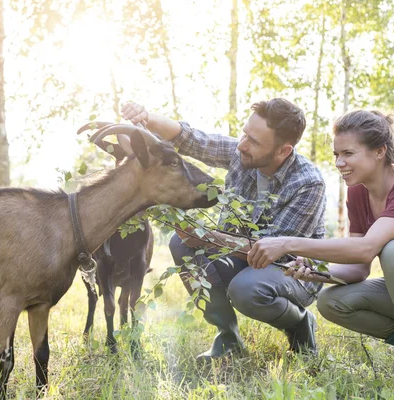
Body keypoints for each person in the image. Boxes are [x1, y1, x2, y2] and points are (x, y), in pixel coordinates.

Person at [122, 99, 327, 360]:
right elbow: (192, 140)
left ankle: (299, 322)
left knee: (246, 290)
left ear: (283, 151)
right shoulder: (242, 152)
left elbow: (272, 251)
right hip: (241, 258)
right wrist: (146, 117)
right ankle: (227, 336)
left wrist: (208, 237)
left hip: (292, 272)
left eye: (254, 141)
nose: (242, 144)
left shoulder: (308, 183)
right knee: (181, 243)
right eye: (244, 134)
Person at [248, 110, 394, 397]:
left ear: (379, 151)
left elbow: (368, 247)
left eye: (348, 153)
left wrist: (287, 243)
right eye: (335, 154)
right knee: (332, 300)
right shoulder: (358, 191)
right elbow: (359, 267)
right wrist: (318, 271)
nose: (338, 163)